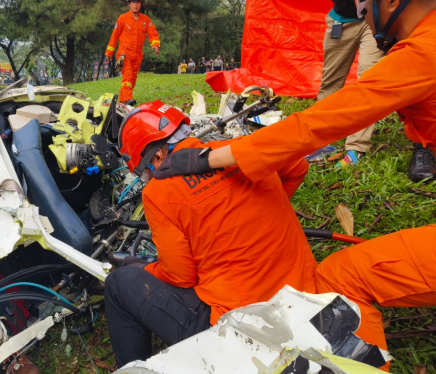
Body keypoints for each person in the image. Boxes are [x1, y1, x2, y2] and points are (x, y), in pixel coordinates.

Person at [154, 1, 436, 371]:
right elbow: (296, 167)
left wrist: (209, 158)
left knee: (341, 279)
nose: (360, 12)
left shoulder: (425, 52)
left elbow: (321, 122)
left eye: (364, 3)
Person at [105, 101, 318, 368]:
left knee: (118, 284)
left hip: (246, 332)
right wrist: (256, 212)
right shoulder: (235, 151)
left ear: (157, 157)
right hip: (308, 300)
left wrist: (145, 269)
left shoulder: (159, 193)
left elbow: (181, 276)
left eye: (144, 170)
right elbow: (298, 168)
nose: (147, 177)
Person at [319, 0, 386, 167]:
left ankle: (356, 147)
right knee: (330, 81)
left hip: (377, 21)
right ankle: (318, 137)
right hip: (342, 20)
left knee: (368, 81)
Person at [105, 0, 160, 106]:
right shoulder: (122, 18)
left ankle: (123, 99)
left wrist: (155, 45)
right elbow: (114, 36)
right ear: (129, 4)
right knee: (127, 76)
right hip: (124, 54)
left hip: (137, 55)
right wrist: (109, 53)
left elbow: (152, 32)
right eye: (133, 2)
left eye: (138, 2)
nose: (135, 5)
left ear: (141, 4)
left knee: (133, 78)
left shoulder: (145, 19)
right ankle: (128, 98)